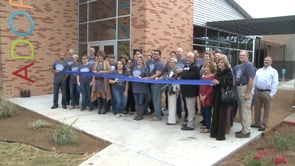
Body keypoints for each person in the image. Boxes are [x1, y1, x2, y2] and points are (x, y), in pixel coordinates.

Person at [251, 56, 278, 131]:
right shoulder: (259, 70)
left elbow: (275, 83)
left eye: (268, 60)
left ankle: (264, 125)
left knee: (266, 109)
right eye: (265, 60)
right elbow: (255, 81)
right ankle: (257, 123)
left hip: (267, 92)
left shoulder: (274, 71)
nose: (266, 61)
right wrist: (253, 91)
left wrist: (271, 94)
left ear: (271, 62)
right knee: (257, 108)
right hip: (257, 91)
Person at [233, 50, 256, 138]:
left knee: (245, 111)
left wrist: (248, 93)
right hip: (238, 88)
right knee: (241, 111)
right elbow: (234, 80)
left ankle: (246, 132)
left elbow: (251, 79)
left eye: (243, 55)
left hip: (245, 88)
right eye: (240, 55)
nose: (241, 56)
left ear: (247, 56)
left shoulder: (249, 65)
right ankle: (243, 129)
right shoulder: (236, 67)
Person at [210, 57, 233, 140]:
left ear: (225, 63)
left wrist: (219, 83)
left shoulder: (228, 73)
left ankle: (220, 135)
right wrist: (213, 84)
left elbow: (229, 85)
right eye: (219, 62)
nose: (220, 64)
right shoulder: (218, 72)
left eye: (222, 62)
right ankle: (214, 133)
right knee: (215, 115)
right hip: (216, 96)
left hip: (223, 97)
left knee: (222, 116)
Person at [180, 52, 200, 130]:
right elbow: (184, 75)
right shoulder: (187, 65)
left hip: (191, 91)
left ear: (193, 58)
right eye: (186, 57)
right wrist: (183, 72)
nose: (187, 59)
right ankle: (189, 122)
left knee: (191, 107)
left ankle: (191, 125)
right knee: (188, 107)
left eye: (189, 57)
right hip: (186, 90)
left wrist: (182, 72)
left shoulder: (195, 66)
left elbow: (188, 76)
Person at [146, 49, 165, 121]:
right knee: (155, 99)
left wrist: (148, 78)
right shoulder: (150, 62)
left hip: (157, 83)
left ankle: (157, 116)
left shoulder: (160, 63)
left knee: (156, 99)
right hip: (151, 83)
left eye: (157, 54)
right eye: (154, 54)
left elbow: (157, 74)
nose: (155, 55)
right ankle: (158, 113)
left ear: (160, 55)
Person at [131, 55, 150, 120]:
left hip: (142, 87)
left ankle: (140, 115)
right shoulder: (134, 67)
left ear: (142, 61)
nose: (139, 61)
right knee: (136, 102)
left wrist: (142, 77)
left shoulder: (145, 68)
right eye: (138, 60)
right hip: (135, 87)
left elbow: (148, 77)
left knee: (140, 102)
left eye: (140, 60)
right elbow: (131, 74)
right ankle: (137, 114)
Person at [199, 62, 215, 133]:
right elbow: (200, 86)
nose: (206, 69)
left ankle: (208, 127)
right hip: (202, 97)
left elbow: (211, 88)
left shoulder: (213, 76)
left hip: (208, 97)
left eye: (208, 67)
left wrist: (205, 96)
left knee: (208, 112)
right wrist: (200, 95)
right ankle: (205, 124)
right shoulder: (203, 76)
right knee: (203, 111)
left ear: (211, 68)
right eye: (205, 67)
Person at [164, 57, 180, 125]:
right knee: (171, 104)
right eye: (170, 62)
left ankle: (171, 121)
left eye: (172, 62)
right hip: (169, 88)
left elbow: (177, 81)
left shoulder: (176, 70)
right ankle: (173, 119)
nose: (170, 63)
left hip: (173, 89)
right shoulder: (171, 70)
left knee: (172, 105)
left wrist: (177, 90)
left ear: (175, 63)